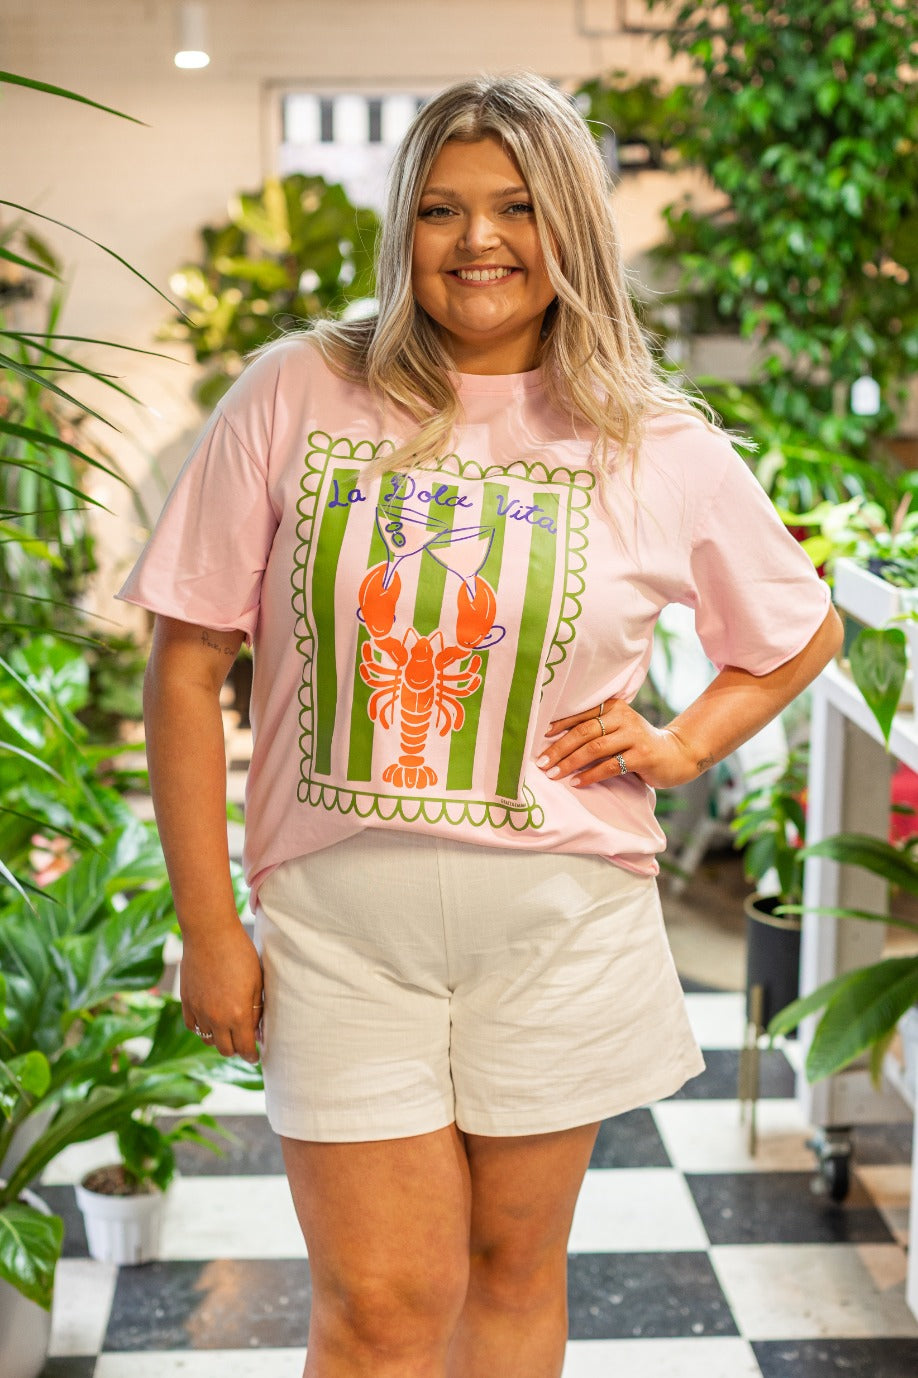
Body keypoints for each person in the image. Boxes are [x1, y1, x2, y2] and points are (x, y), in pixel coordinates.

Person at [120, 72, 842, 1378]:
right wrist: (209, 927)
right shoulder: (296, 389)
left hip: (561, 929)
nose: (477, 240)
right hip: (340, 934)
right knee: (382, 1310)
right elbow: (185, 662)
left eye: (516, 206)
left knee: (511, 1277)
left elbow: (798, 627)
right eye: (440, 208)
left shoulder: (652, 438)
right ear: (403, 228)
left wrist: (684, 743)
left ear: (570, 223)